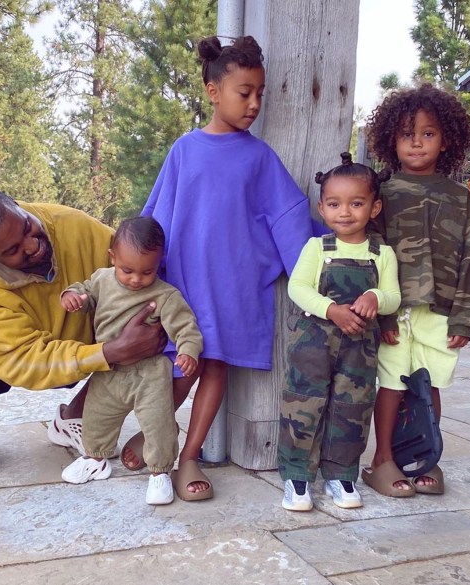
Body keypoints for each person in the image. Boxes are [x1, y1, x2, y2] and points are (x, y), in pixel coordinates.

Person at [139, 35, 320, 501]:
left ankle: (190, 456)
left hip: (232, 286)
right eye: (245, 92)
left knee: (213, 365)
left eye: (261, 93)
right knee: (177, 366)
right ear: (213, 90)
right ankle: (157, 437)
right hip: (184, 282)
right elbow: (157, 216)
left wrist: (338, 247)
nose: (255, 103)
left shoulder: (260, 158)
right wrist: (137, 270)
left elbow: (289, 218)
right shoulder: (184, 150)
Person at [0, 186, 168, 475]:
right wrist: (109, 351)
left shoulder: (71, 226)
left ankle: (73, 418)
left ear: (16, 204)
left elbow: (130, 269)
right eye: (12, 250)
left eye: (27, 228)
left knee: (143, 322)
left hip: (72, 338)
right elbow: (23, 358)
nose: (32, 246)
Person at [361, 83, 470, 497]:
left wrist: (465, 316)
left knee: (429, 386)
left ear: (446, 139)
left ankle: (428, 459)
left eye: (428, 134)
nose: (417, 142)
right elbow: (372, 257)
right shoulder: (383, 195)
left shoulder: (459, 197)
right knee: (392, 385)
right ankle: (383, 460)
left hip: (441, 313)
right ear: (391, 139)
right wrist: (384, 314)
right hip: (395, 310)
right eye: (407, 134)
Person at [277, 153, 400, 511]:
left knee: (352, 407)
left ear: (374, 207)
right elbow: (297, 287)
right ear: (322, 207)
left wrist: (375, 297)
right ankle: (297, 476)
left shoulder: (383, 254)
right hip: (312, 344)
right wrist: (331, 309)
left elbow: (393, 296)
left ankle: (341, 474)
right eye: (334, 204)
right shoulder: (318, 247)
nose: (344, 212)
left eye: (356, 203)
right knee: (304, 403)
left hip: (358, 350)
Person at [59, 217, 203, 505]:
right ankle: (95, 458)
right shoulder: (102, 279)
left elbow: (186, 327)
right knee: (97, 416)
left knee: (158, 422)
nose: (136, 279)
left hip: (149, 373)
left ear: (159, 262)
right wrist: (72, 296)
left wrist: (188, 351)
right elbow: (84, 290)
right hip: (109, 369)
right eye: (127, 270)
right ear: (113, 257)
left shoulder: (165, 295)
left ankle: (160, 472)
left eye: (147, 271)